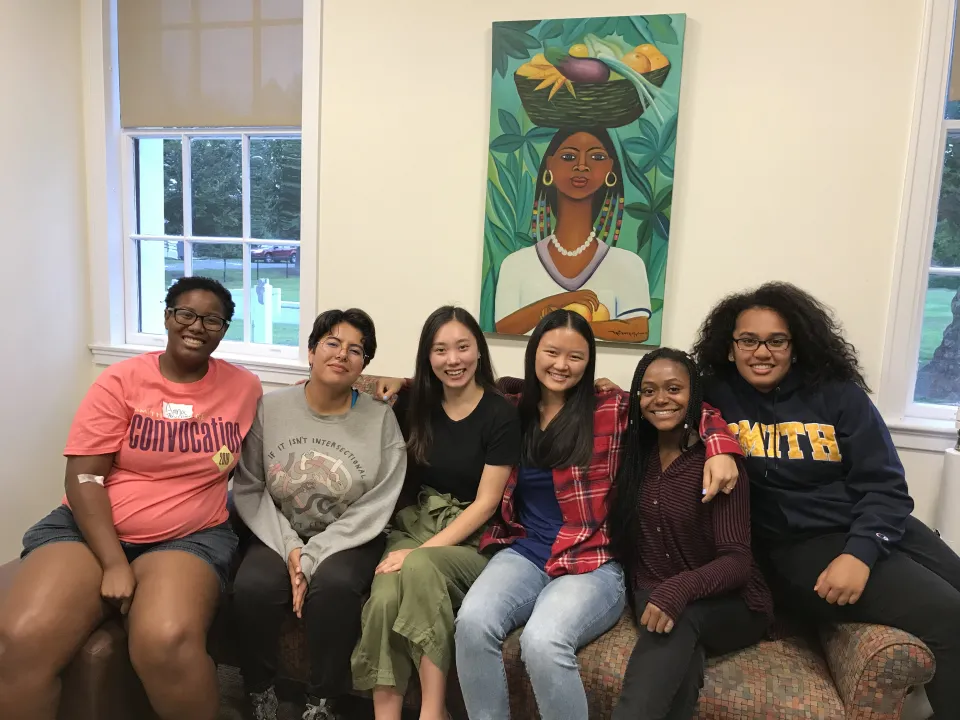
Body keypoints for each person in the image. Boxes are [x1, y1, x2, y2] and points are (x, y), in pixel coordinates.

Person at [452, 311, 744, 720]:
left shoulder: (613, 408)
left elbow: (686, 406)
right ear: (534, 352)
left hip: (593, 562)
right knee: (471, 623)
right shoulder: (512, 407)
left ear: (589, 362)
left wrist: (720, 446)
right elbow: (457, 390)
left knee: (543, 640)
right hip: (524, 552)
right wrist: (400, 384)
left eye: (575, 356)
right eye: (551, 352)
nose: (561, 365)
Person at [689, 281, 960, 717]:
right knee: (950, 617)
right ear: (729, 347)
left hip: (875, 527)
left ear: (796, 346)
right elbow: (657, 396)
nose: (762, 352)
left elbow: (886, 484)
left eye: (777, 341)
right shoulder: (714, 394)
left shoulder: (837, 394)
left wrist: (861, 551)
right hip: (798, 548)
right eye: (748, 340)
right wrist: (604, 389)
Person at [0, 277, 262, 720]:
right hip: (87, 529)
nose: (197, 326)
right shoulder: (120, 380)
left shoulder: (244, 388)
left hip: (189, 537)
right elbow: (83, 475)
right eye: (186, 314)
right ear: (167, 316)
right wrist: (114, 562)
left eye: (212, 319)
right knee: (21, 638)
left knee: (165, 640)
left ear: (224, 329)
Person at [232, 309, 407, 720]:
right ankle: (259, 690)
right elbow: (251, 485)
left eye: (355, 350)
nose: (342, 355)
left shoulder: (381, 419)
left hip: (351, 535)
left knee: (335, 589)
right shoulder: (271, 408)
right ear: (311, 351)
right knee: (253, 587)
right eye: (332, 343)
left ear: (364, 364)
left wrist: (314, 556)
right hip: (278, 529)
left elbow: (379, 501)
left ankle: (323, 700)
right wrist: (292, 548)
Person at [351, 307, 520, 720]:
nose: (453, 359)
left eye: (463, 347)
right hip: (418, 522)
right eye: (440, 350)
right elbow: (359, 390)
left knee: (421, 566)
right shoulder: (415, 403)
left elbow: (487, 503)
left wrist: (418, 551)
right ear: (428, 357)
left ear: (479, 351)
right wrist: (394, 381)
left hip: (474, 536)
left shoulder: (501, 413)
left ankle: (433, 711)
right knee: (385, 595)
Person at [606, 348, 772, 720]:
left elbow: (737, 562)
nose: (660, 399)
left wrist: (678, 590)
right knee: (680, 666)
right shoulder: (636, 456)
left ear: (693, 396)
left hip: (732, 603)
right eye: (648, 391)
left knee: (680, 619)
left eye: (674, 388)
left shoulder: (719, 465)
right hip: (654, 594)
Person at [494, 127, 652, 343]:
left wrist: (565, 321)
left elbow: (638, 331)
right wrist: (567, 300)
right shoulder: (515, 264)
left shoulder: (629, 264)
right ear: (550, 165)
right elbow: (504, 328)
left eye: (596, 157)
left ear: (609, 169)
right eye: (569, 157)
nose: (582, 166)